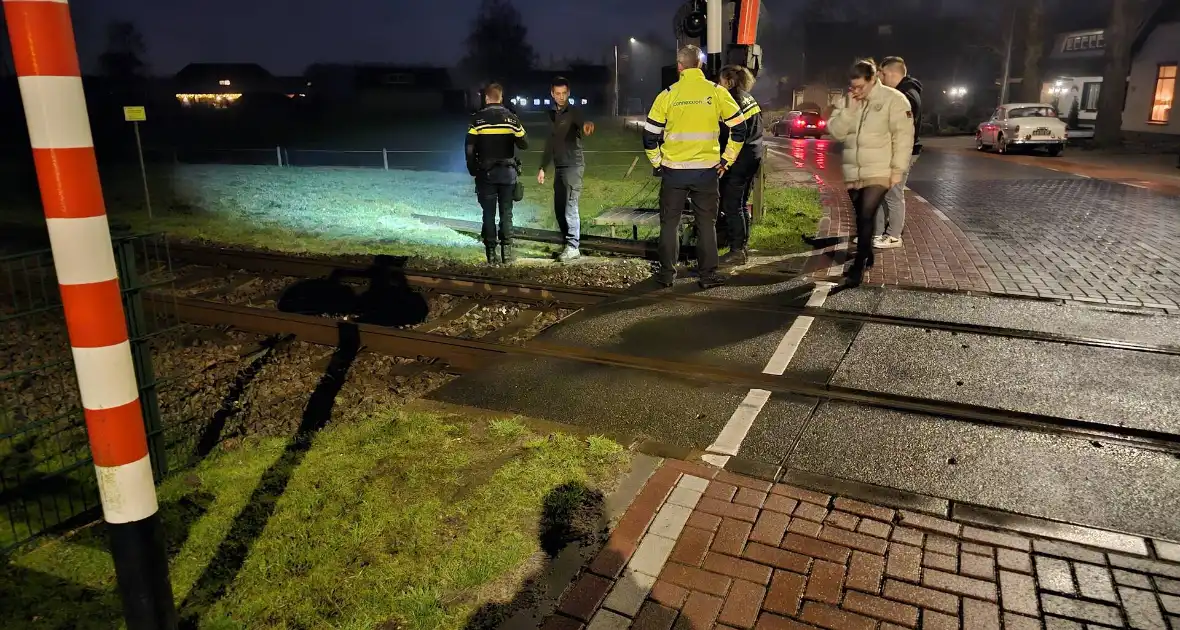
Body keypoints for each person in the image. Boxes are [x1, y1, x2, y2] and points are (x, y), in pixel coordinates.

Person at [642, 45, 748, 288]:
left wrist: (658, 163)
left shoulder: (667, 95)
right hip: (706, 172)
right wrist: (726, 160)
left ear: (679, 66)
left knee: (669, 224)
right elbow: (739, 128)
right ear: (700, 65)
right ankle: (708, 275)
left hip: (674, 172)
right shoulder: (717, 92)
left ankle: (667, 275)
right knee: (706, 224)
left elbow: (649, 136)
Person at [826, 59, 914, 287]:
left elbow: (903, 138)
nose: (856, 91)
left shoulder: (894, 100)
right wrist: (849, 112)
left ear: (873, 79)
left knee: (866, 215)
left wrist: (897, 170)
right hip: (854, 170)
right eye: (852, 87)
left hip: (880, 169)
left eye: (861, 87)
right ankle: (868, 254)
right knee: (860, 216)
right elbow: (835, 131)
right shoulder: (848, 100)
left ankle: (857, 268)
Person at [466, 83, 528, 265]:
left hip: (486, 175)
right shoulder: (511, 119)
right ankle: (507, 253)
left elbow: (469, 148)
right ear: (501, 98)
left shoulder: (476, 120)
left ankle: (491, 253)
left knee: (488, 214)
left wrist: (472, 169)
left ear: (486, 98)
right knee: (506, 213)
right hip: (507, 175)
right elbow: (524, 143)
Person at [537, 77, 595, 262]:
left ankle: (573, 246)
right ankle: (567, 244)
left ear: (568, 93)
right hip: (559, 166)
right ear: (552, 94)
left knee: (570, 206)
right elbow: (550, 143)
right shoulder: (552, 115)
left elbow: (583, 123)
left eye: (564, 93)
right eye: (557, 94)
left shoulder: (574, 112)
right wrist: (542, 168)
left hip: (573, 166)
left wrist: (587, 127)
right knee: (559, 208)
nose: (561, 97)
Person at [716, 64, 764, 266]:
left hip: (740, 158)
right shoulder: (748, 98)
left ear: (728, 81)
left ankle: (737, 251)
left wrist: (724, 159)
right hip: (753, 156)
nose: (718, 86)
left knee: (732, 205)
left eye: (720, 82)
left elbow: (731, 132)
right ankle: (742, 247)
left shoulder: (731, 99)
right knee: (741, 203)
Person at [874, 56, 923, 250]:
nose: (881, 78)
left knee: (893, 194)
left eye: (883, 74)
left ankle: (893, 236)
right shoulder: (901, 93)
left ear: (893, 73)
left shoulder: (908, 95)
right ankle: (878, 234)